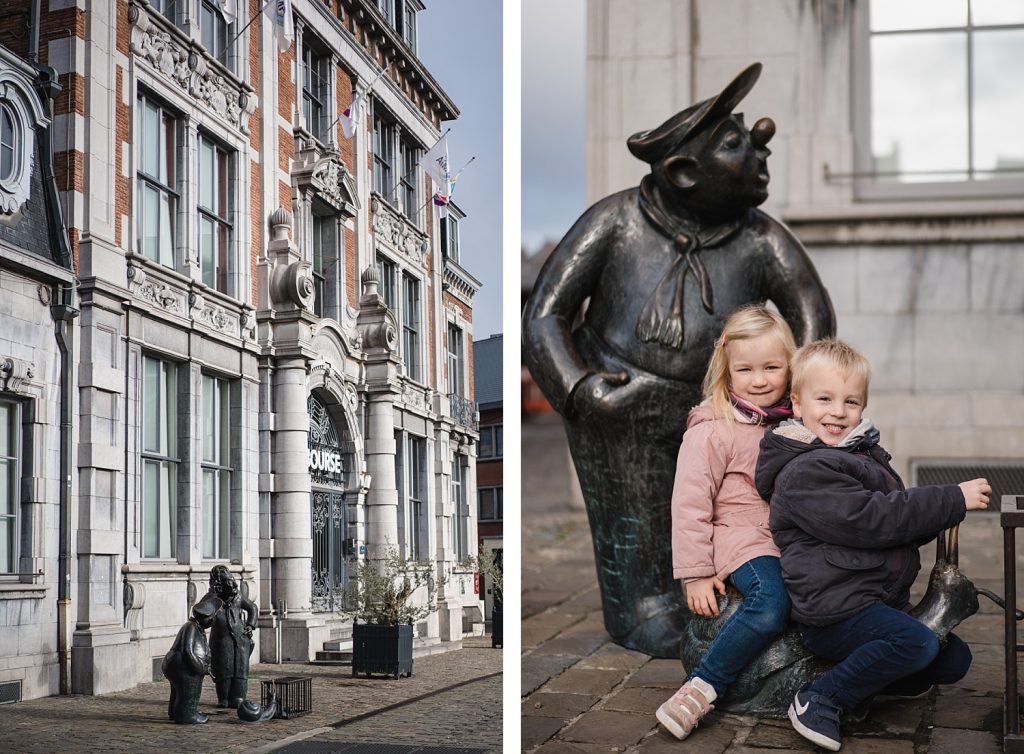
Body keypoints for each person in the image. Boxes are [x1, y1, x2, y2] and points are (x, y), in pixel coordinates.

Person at [522, 62, 835, 657]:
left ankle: (741, 593)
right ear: (684, 172)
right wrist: (582, 390)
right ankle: (646, 608)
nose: (760, 142)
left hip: (729, 411)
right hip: (623, 412)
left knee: (738, 510)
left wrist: (802, 401)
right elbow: (544, 314)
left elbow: (814, 319)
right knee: (638, 534)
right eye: (735, 141)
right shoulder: (615, 221)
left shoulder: (762, 238)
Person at [756, 339, 991, 751]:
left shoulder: (858, 456)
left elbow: (893, 525)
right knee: (915, 642)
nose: (838, 411)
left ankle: (865, 680)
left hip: (873, 602)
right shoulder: (804, 471)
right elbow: (873, 520)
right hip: (835, 611)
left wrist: (936, 515)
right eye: (824, 398)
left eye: (851, 401)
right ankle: (820, 698)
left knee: (954, 660)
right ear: (796, 403)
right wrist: (950, 499)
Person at [656, 305, 797, 739]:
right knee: (772, 603)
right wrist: (696, 572)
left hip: (786, 538)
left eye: (772, 367)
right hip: (741, 539)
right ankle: (702, 687)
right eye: (746, 369)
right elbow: (690, 503)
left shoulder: (796, 421)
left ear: (790, 367)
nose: (759, 380)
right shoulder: (713, 428)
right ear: (727, 370)